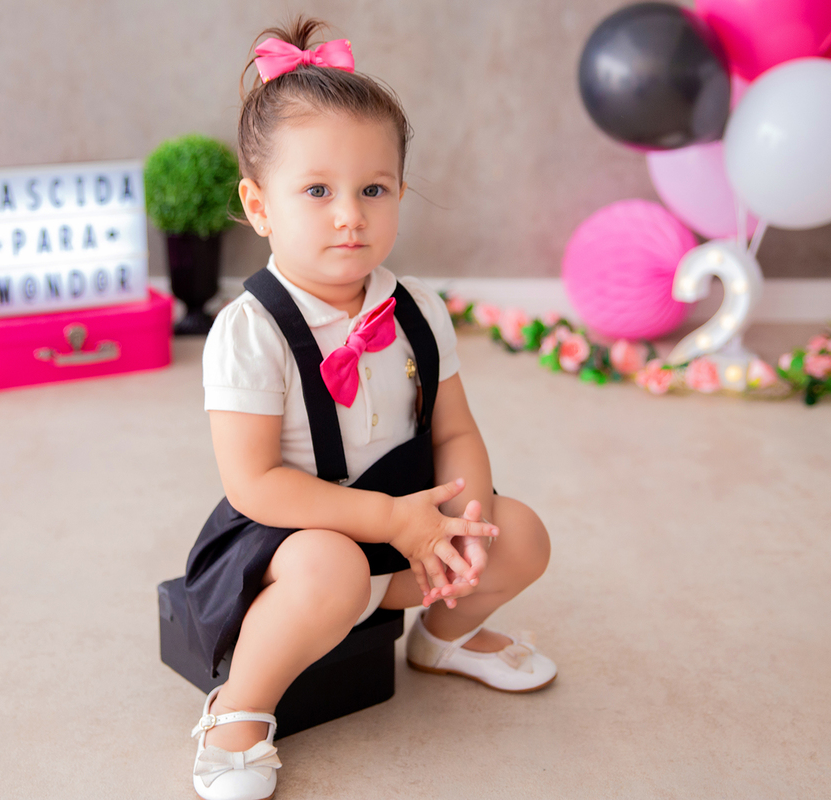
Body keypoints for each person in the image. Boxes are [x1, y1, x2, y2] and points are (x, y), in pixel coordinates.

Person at [181, 16, 556, 800]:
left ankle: (442, 640)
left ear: (399, 193)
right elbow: (254, 484)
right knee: (332, 568)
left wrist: (461, 522)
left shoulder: (417, 306)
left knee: (518, 535)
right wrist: (392, 526)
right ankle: (239, 711)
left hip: (403, 517)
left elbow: (454, 429)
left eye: (373, 189)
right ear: (258, 205)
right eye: (316, 191)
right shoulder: (249, 332)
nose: (349, 214)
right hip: (286, 539)